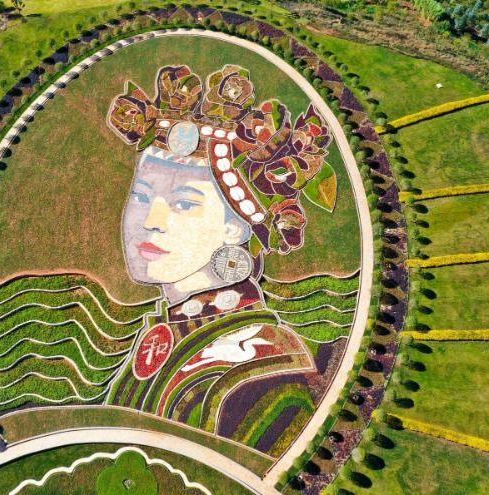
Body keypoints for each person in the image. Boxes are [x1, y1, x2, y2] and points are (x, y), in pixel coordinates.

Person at [103, 65, 340, 442]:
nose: (151, 221)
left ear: (236, 226)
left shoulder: (259, 364)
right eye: (142, 196)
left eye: (183, 204)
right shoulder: (170, 333)